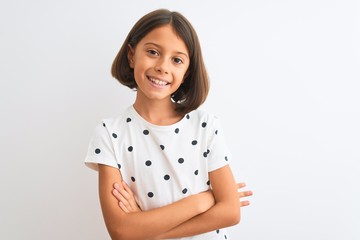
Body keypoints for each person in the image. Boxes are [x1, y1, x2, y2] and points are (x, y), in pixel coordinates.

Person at [85, 8, 252, 240]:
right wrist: (202, 200)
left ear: (186, 72)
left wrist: (147, 232)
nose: (163, 66)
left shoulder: (205, 126)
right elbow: (121, 231)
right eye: (153, 52)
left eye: (177, 60)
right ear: (132, 55)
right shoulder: (110, 134)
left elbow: (230, 212)